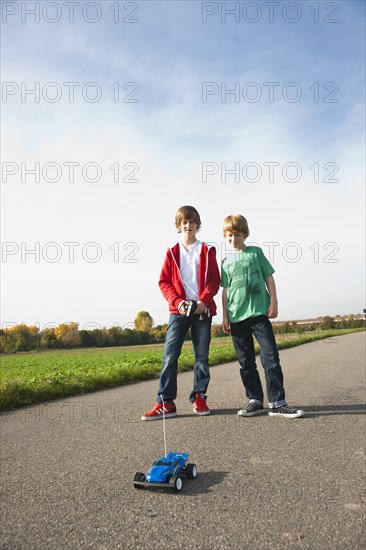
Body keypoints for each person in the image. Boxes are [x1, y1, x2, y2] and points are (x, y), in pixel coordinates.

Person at [141, 205, 220, 420]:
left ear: (197, 224)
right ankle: (166, 402)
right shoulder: (172, 252)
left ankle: (199, 396)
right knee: (170, 355)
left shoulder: (207, 250)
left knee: (201, 357)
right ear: (179, 225)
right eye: (184, 222)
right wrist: (178, 302)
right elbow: (164, 282)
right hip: (179, 311)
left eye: (192, 221)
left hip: (202, 310)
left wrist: (204, 301)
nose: (188, 225)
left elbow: (214, 280)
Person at [221, 214, 304, 418]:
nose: (234, 239)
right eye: (230, 235)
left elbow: (269, 276)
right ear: (226, 237)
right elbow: (225, 290)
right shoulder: (225, 261)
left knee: (270, 358)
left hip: (258, 314)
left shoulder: (255, 253)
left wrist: (274, 301)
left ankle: (277, 402)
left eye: (237, 234)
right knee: (246, 362)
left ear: (245, 234)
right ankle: (255, 401)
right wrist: (224, 315)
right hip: (236, 317)